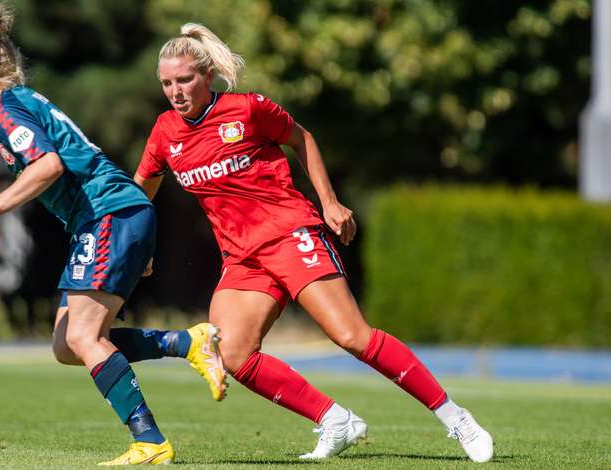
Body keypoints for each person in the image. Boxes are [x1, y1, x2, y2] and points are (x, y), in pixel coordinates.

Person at [133, 23, 494, 463]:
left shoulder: (248, 109)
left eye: (184, 80)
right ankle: (335, 420)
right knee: (232, 353)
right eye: (167, 83)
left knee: (351, 336)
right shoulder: (165, 132)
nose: (175, 92)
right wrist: (139, 243)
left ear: (207, 76)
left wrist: (330, 202)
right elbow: (142, 188)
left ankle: (456, 417)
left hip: (289, 234)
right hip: (242, 256)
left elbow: (302, 138)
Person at [0, 5, 227, 465]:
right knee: (67, 345)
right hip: (109, 217)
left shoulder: (5, 111)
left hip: (108, 213)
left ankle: (150, 441)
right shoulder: (20, 101)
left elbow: (48, 166)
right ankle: (185, 343)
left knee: (83, 337)